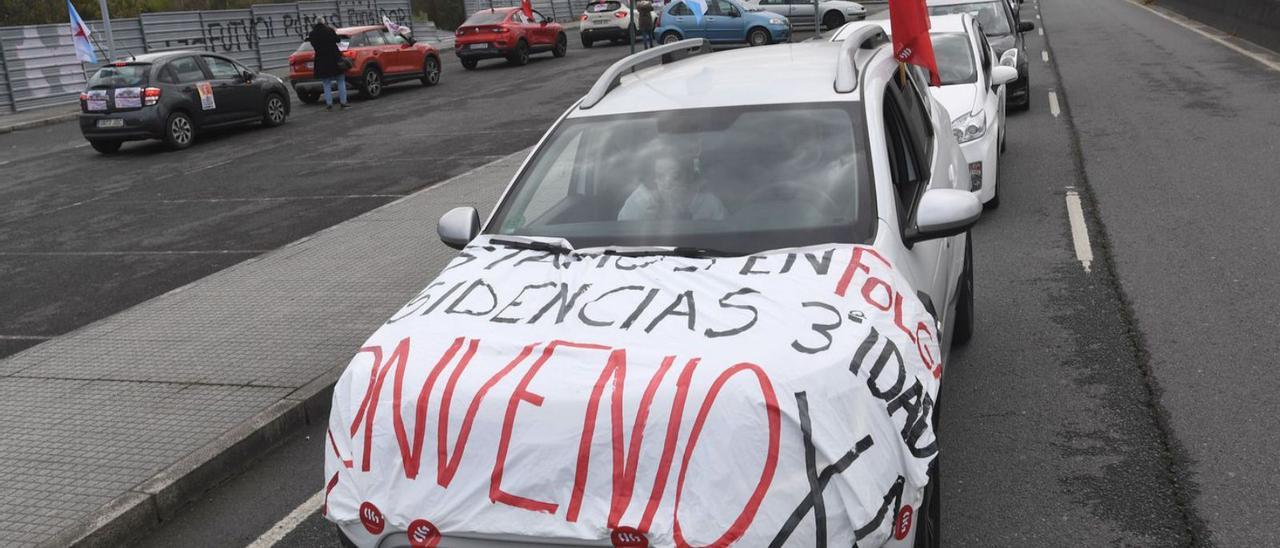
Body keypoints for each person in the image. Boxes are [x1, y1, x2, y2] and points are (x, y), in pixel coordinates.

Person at [619, 155, 726, 221]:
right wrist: (645, 220)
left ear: (688, 177)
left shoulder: (709, 204)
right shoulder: (640, 201)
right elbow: (622, 236)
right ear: (654, 178)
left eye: (675, 176)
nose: (667, 183)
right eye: (660, 176)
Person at [306, 22, 348, 111]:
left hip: (321, 61)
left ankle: (329, 105)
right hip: (334, 59)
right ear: (324, 22)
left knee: (326, 83)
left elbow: (313, 44)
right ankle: (343, 103)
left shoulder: (312, 34)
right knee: (340, 80)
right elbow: (338, 40)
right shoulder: (329, 31)